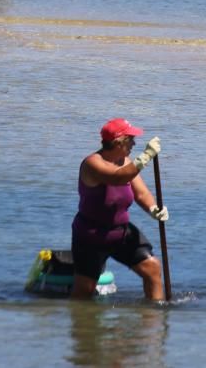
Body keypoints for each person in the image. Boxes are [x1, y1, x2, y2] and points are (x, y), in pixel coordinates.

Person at [71, 118, 169, 301]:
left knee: (152, 268)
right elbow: (117, 178)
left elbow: (141, 194)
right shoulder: (92, 163)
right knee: (84, 291)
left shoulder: (124, 161)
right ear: (119, 141)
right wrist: (146, 156)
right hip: (91, 235)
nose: (134, 143)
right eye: (131, 139)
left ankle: (155, 319)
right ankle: (82, 325)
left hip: (121, 233)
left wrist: (154, 208)